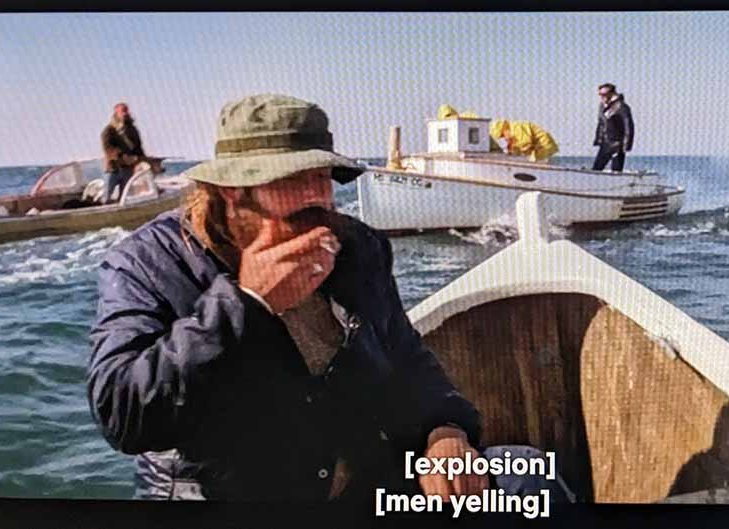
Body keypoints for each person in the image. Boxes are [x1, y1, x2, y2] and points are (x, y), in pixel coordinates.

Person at [87, 94, 564, 502]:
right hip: (230, 498)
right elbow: (123, 414)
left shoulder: (357, 246)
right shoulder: (145, 264)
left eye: (325, 177)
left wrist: (444, 432)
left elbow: (404, 354)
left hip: (362, 488)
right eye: (295, 180)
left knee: (528, 478)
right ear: (234, 193)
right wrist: (247, 302)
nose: (320, 197)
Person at [100, 102, 148, 204]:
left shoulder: (132, 130)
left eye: (126, 111)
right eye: (122, 111)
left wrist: (142, 159)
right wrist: (122, 156)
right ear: (116, 113)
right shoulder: (109, 130)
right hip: (113, 168)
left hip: (128, 168)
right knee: (106, 196)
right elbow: (108, 148)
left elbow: (138, 147)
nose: (125, 114)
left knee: (124, 198)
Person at [592, 83, 634, 172]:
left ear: (612, 93)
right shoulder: (602, 106)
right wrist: (598, 139)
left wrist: (626, 145)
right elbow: (601, 123)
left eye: (604, 95)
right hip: (605, 143)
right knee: (596, 168)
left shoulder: (622, 106)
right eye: (600, 95)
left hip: (618, 144)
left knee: (616, 170)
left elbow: (628, 127)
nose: (601, 97)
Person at [489, 119, 559, 162]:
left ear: (504, 130)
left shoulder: (516, 128)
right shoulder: (513, 130)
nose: (504, 138)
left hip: (544, 147)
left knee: (533, 163)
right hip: (541, 148)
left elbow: (526, 143)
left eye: (502, 136)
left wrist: (511, 147)